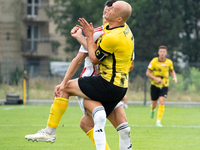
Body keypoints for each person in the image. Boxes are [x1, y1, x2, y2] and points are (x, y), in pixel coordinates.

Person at [25, 1, 134, 150]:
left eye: (112, 9)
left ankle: (49, 131)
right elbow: (130, 65)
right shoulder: (123, 30)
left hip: (102, 84)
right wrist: (83, 37)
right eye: (106, 8)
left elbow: (90, 58)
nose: (107, 10)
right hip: (119, 86)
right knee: (116, 127)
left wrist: (63, 83)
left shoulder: (106, 35)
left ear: (118, 18)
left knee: (71, 95)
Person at [146, 45, 177, 127]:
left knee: (162, 102)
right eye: (161, 51)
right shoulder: (154, 61)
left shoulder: (169, 62)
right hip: (154, 85)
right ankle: (152, 109)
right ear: (158, 52)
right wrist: (156, 79)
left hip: (164, 85)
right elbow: (148, 73)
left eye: (164, 52)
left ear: (166, 53)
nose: (162, 53)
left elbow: (172, 70)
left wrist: (174, 77)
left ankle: (158, 121)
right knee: (154, 104)